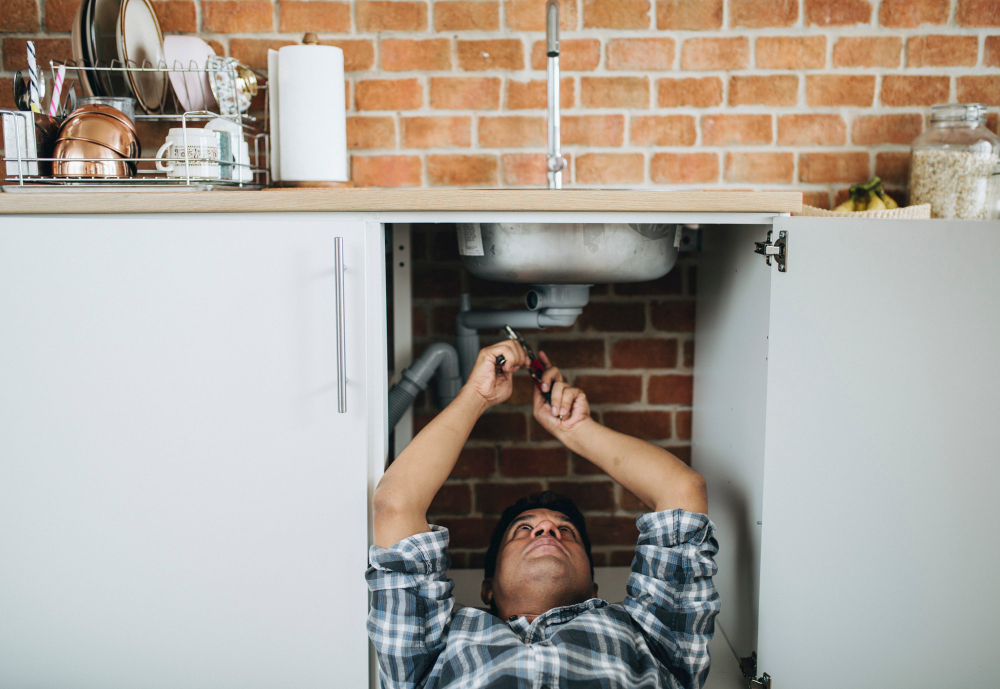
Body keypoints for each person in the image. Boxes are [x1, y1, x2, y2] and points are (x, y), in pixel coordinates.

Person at [367, 341, 720, 689]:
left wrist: (578, 430)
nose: (548, 528)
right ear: (487, 588)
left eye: (567, 531)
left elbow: (681, 491)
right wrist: (478, 394)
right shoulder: (433, 645)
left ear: (594, 587)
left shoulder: (653, 635)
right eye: (523, 528)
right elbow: (395, 503)